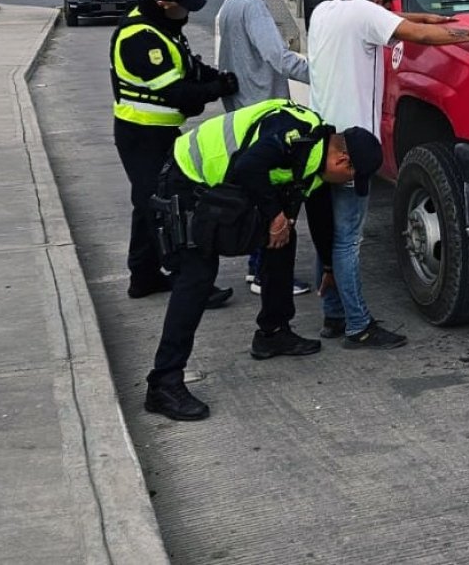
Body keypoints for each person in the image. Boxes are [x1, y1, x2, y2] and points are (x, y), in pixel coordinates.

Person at [307, 0, 469, 349]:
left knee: (327, 233)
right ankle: (358, 326)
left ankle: (334, 316)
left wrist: (426, 16)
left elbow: (395, 18)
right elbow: (417, 34)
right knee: (348, 240)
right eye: (388, 0)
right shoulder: (369, 15)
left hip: (320, 144)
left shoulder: (326, 12)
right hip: (353, 149)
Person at [143, 99, 382, 420]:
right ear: (343, 160)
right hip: (188, 174)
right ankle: (163, 383)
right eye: (352, 177)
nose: (348, 185)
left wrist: (328, 267)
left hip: (224, 181)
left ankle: (273, 333)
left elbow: (320, 218)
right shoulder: (294, 137)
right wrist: (273, 215)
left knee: (284, 239)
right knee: (197, 274)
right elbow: (248, 166)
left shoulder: (315, 160)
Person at [110, 0, 238, 306]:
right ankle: (189, 282)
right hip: (141, 134)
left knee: (148, 203)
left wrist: (217, 78)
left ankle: (143, 275)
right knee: (167, 207)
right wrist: (214, 90)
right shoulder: (140, 37)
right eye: (182, 7)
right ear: (163, 3)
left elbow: (190, 69)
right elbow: (176, 92)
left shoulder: (163, 29)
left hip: (158, 132)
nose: (187, 13)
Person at [215, 0, 313, 297]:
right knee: (273, 198)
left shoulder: (228, 7)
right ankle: (265, 274)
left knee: (257, 192)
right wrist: (325, 74)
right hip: (265, 113)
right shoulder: (252, 8)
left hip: (243, 110)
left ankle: (255, 267)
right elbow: (280, 58)